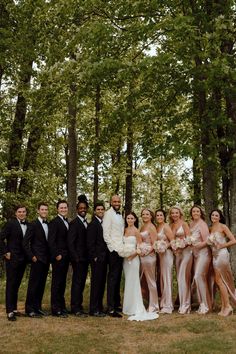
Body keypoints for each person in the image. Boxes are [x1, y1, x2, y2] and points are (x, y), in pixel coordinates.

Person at [122, 212, 158, 321]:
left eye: (132, 218)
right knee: (128, 281)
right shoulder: (125, 230)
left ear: (135, 219)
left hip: (133, 259)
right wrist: (124, 253)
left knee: (134, 281)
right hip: (125, 259)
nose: (129, 219)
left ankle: (136, 306)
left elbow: (139, 246)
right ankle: (127, 306)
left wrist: (131, 256)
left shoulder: (137, 231)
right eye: (128, 218)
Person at [0, 204, 28, 321]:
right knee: (11, 284)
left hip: (23, 259)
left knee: (16, 284)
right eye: (19, 211)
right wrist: (6, 252)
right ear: (16, 213)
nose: (21, 213)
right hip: (12, 259)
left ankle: (15, 309)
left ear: (26, 213)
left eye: (23, 211)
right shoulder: (11, 224)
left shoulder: (28, 224)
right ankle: (9, 311)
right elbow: (0, 238)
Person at [23, 202, 50, 317]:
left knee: (41, 284)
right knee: (33, 284)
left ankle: (37, 307)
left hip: (46, 259)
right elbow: (25, 243)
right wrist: (32, 256)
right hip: (36, 259)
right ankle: (29, 309)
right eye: (42, 209)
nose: (44, 211)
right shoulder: (33, 224)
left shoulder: (48, 224)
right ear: (38, 211)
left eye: (46, 210)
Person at [209, 209, 236, 316]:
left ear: (220, 217)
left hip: (222, 255)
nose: (214, 216)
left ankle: (228, 307)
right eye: (213, 215)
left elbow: (233, 240)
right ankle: (224, 306)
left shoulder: (223, 227)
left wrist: (221, 245)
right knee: (220, 281)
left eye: (216, 215)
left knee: (220, 281)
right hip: (214, 255)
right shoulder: (211, 228)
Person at [103, 195, 124, 318]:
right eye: (114, 201)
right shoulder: (108, 214)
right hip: (113, 251)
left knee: (117, 278)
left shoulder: (120, 214)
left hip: (121, 250)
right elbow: (106, 234)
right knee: (112, 279)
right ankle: (110, 308)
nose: (117, 203)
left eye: (118, 201)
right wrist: (113, 249)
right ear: (111, 202)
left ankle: (116, 304)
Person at [68, 194, 89, 316]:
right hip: (78, 259)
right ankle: (75, 308)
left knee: (81, 283)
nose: (83, 210)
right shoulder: (74, 223)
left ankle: (79, 306)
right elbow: (70, 243)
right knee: (77, 283)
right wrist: (75, 257)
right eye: (80, 208)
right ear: (77, 210)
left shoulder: (86, 222)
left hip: (85, 259)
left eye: (84, 208)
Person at [169, 206, 193, 314]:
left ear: (180, 214)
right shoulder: (170, 225)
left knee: (184, 277)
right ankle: (182, 302)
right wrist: (174, 248)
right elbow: (171, 240)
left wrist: (181, 246)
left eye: (176, 213)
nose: (174, 215)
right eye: (173, 213)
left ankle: (186, 305)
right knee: (179, 278)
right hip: (177, 255)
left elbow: (189, 239)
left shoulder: (184, 224)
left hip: (186, 253)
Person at [48, 200, 69, 317]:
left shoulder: (66, 222)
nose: (63, 209)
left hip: (65, 257)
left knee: (62, 283)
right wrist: (56, 254)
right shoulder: (54, 222)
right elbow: (51, 241)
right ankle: (56, 309)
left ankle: (61, 306)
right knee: (56, 283)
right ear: (57, 209)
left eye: (65, 208)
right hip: (58, 257)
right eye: (61, 208)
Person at [189, 205, 212, 314]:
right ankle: (202, 303)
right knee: (198, 279)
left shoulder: (202, 224)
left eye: (197, 211)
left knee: (198, 276)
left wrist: (198, 246)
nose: (195, 213)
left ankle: (206, 306)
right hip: (195, 255)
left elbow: (207, 241)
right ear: (191, 213)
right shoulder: (191, 224)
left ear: (200, 213)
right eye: (193, 211)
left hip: (204, 254)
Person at [87, 202, 108, 317]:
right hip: (97, 259)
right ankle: (93, 309)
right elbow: (90, 243)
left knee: (101, 283)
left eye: (102, 209)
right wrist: (94, 256)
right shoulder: (93, 224)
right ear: (95, 211)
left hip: (103, 258)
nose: (100, 211)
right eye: (98, 209)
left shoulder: (102, 223)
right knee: (96, 284)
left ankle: (99, 307)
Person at [140, 208, 159, 312]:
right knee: (144, 280)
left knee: (151, 281)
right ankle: (148, 300)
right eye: (143, 214)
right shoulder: (143, 227)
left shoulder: (151, 227)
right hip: (142, 256)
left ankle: (154, 305)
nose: (145, 216)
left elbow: (155, 244)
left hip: (149, 256)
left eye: (147, 214)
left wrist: (146, 252)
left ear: (151, 216)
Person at [155, 209, 174, 314]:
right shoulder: (157, 227)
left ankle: (168, 305)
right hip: (161, 256)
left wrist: (164, 247)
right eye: (157, 215)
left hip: (167, 255)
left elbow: (172, 241)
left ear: (164, 216)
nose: (159, 217)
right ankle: (163, 302)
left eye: (161, 215)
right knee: (163, 278)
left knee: (167, 278)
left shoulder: (166, 226)